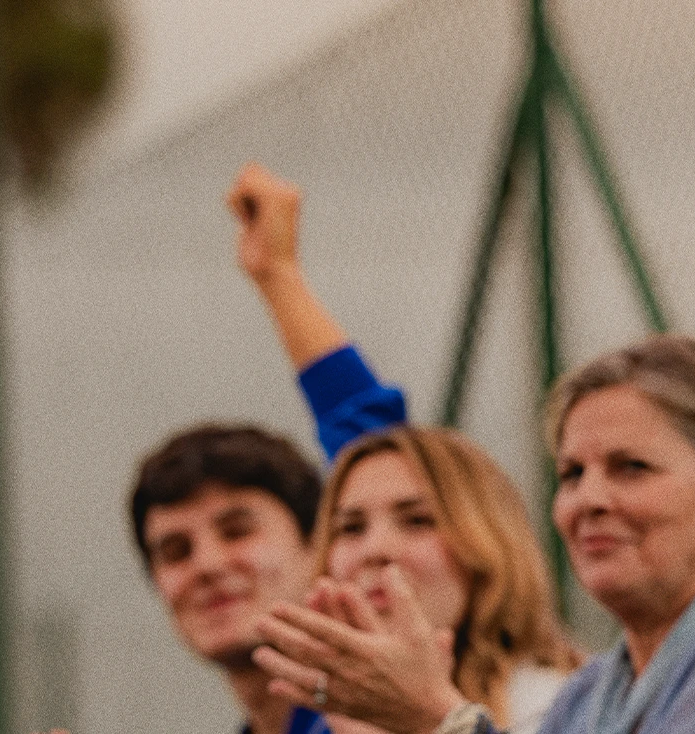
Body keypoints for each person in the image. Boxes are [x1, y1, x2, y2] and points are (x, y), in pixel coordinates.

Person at [254, 335, 695, 732]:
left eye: (631, 468)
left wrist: (434, 720)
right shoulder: (589, 698)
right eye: (572, 474)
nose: (590, 501)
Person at [222, 164, 578, 732]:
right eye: (349, 527)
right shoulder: (323, 716)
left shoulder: (561, 709)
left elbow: (366, 428)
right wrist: (275, 274)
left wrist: (282, 279)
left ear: (487, 549)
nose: (374, 550)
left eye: (417, 520)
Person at [130, 424, 331, 734]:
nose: (207, 565)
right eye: (176, 552)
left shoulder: (403, 722)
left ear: (317, 545)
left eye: (237, 531)